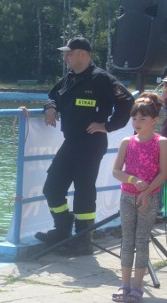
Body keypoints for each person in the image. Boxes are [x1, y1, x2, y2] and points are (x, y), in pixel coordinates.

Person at [35, 37, 134, 255]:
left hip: (91, 143)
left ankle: (83, 240)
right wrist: (50, 107)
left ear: (82, 54)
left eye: (69, 53)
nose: (65, 57)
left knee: (84, 191)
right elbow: (53, 95)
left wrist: (107, 126)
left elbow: (127, 101)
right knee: (52, 188)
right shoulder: (70, 77)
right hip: (71, 142)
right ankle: (62, 231)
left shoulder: (102, 79)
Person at [110, 93, 167, 303]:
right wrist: (132, 180)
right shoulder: (127, 142)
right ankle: (124, 284)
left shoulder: (161, 143)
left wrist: (146, 191)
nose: (137, 123)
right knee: (127, 239)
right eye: (134, 118)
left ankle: (137, 286)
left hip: (149, 198)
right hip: (127, 196)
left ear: (154, 120)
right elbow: (117, 171)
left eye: (143, 119)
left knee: (141, 240)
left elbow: (163, 173)